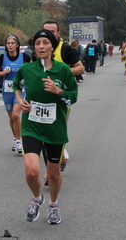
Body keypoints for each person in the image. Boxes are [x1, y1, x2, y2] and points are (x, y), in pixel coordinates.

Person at [13, 29, 78, 225]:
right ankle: (37, 199)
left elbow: (73, 96)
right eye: (38, 43)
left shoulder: (63, 70)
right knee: (31, 171)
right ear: (34, 47)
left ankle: (54, 204)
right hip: (31, 127)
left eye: (45, 43)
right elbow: (16, 85)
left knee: (54, 173)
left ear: (52, 46)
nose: (41, 46)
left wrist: (59, 91)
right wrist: (20, 100)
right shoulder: (27, 69)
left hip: (54, 129)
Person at [41, 21, 83, 175]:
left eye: (52, 31)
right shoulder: (37, 49)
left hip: (60, 98)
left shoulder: (64, 49)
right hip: (40, 99)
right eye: (46, 30)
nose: (49, 33)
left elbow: (80, 68)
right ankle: (53, 166)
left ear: (58, 33)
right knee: (44, 134)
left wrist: (63, 72)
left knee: (56, 130)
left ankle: (55, 164)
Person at [0, 34, 31, 153]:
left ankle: (19, 142)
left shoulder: (24, 56)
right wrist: (2, 72)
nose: (10, 45)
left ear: (17, 45)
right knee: (11, 117)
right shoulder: (2, 57)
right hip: (7, 90)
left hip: (20, 90)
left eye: (12, 43)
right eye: (8, 43)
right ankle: (16, 139)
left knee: (16, 115)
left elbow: (33, 68)